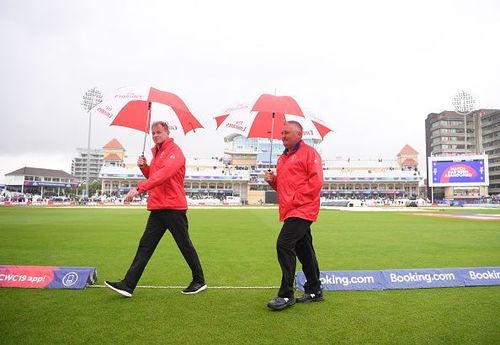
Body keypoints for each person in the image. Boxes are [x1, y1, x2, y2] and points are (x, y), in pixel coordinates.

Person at [105, 121, 206, 297]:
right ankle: (128, 285)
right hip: (158, 207)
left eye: (158, 132)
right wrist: (145, 167)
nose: (155, 135)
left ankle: (199, 280)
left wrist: (139, 188)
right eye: (153, 133)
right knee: (145, 246)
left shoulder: (175, 152)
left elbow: (165, 175)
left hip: (174, 207)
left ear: (167, 132)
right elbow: (154, 175)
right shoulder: (157, 154)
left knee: (185, 245)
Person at [264, 121, 324, 311]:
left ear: (299, 134)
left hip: (303, 208)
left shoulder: (309, 153)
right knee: (304, 248)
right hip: (290, 209)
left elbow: (317, 182)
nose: (282, 135)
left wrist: (296, 198)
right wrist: (273, 181)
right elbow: (283, 187)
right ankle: (315, 290)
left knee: (284, 244)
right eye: (281, 132)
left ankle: (286, 294)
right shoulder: (282, 159)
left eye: (287, 132)